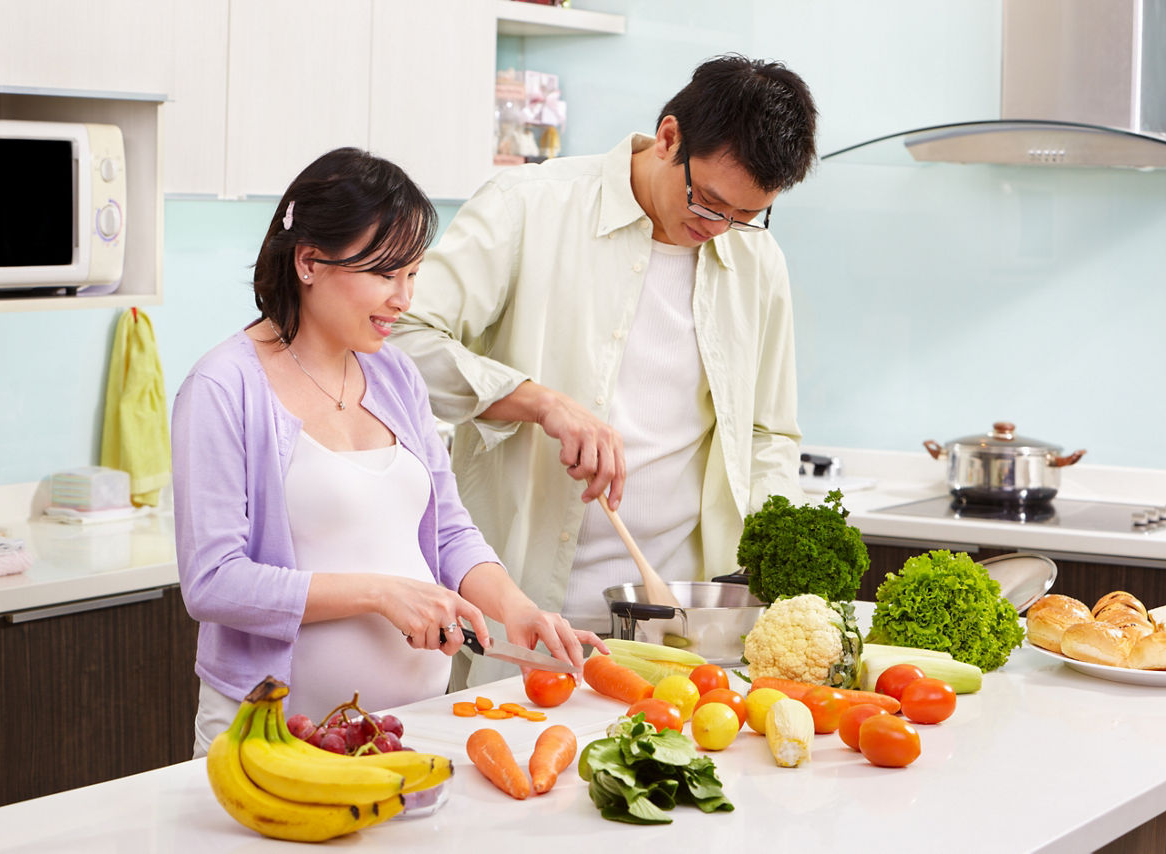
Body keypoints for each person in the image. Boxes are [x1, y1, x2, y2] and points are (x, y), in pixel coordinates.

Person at [390, 54, 819, 684]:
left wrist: (774, 585)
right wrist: (535, 399)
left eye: (746, 217)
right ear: (669, 136)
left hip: (677, 631)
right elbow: (399, 339)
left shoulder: (755, 258)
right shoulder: (527, 207)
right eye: (709, 204)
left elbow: (767, 435)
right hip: (529, 615)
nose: (718, 229)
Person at [172, 148, 599, 756]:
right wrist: (381, 593)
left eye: (413, 275)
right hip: (276, 741)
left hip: (414, 728)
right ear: (310, 262)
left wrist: (519, 611)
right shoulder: (223, 386)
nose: (404, 299)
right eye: (385, 274)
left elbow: (447, 531)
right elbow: (213, 584)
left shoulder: (395, 373)